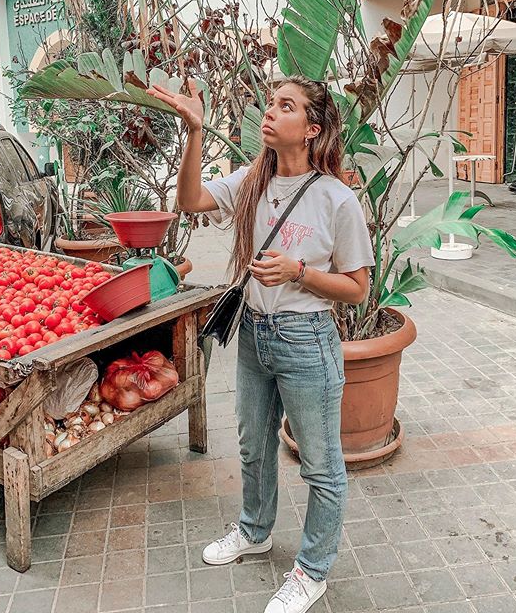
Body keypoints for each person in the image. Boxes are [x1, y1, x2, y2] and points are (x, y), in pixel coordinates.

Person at [146, 76, 374, 613]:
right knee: (252, 445)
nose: (270, 113)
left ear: (312, 129)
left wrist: (300, 272)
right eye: (271, 104)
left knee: (321, 465)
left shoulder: (336, 199)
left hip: (306, 340)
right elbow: (191, 200)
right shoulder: (253, 181)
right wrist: (194, 131)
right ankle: (255, 530)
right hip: (253, 333)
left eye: (285, 107)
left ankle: (312, 570)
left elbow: (359, 288)